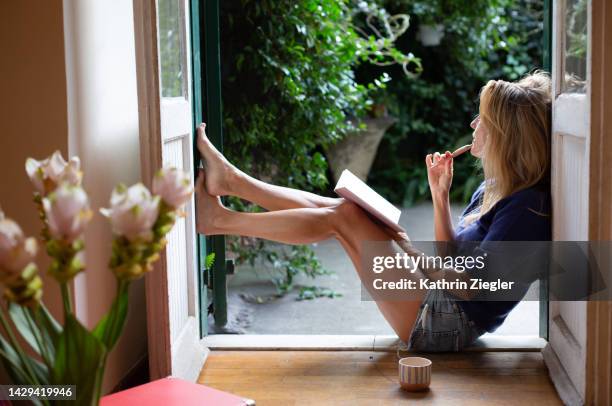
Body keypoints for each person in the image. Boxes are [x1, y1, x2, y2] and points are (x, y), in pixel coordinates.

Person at [195, 71, 552, 352]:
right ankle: (231, 183)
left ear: (505, 135)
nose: (473, 124)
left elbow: (470, 289)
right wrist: (439, 195)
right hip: (438, 296)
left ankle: (219, 220)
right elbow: (455, 254)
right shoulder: (494, 189)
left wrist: (411, 251)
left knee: (345, 218)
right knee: (347, 207)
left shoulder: (525, 209)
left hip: (446, 323)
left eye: (483, 118)